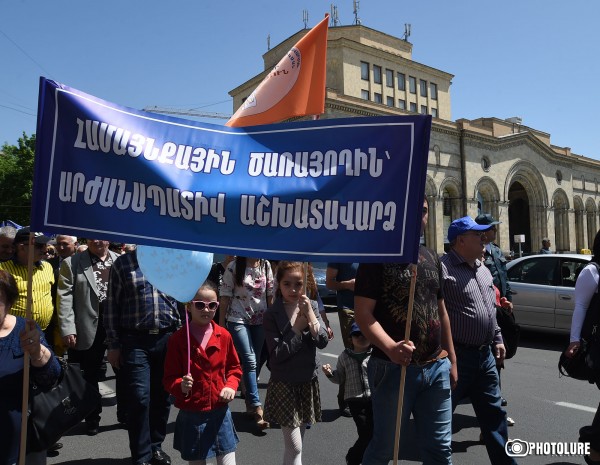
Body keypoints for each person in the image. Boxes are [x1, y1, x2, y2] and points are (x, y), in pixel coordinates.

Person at [354, 197, 456, 464]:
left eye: (423, 212)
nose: (420, 218)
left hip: (436, 368)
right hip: (392, 369)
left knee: (440, 449)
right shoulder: (376, 255)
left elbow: (441, 312)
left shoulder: (432, 256)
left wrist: (452, 361)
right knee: (385, 449)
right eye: (413, 211)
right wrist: (391, 348)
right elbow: (363, 314)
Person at [440, 216, 516, 465]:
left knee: (494, 416)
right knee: (441, 419)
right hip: (457, 358)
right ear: (461, 241)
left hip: (485, 358)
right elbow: (435, 315)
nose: (484, 239)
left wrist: (498, 338)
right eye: (478, 235)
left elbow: (489, 308)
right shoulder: (443, 270)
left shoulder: (483, 269)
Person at [105, 249, 180, 465]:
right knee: (139, 398)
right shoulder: (123, 264)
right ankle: (141, 455)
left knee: (163, 398)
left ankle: (155, 447)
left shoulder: (172, 263)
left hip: (168, 338)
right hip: (135, 340)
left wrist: (183, 339)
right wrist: (113, 345)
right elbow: (111, 305)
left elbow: (182, 302)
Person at [164, 281, 242, 465]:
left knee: (228, 461)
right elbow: (168, 378)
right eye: (200, 304)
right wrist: (180, 385)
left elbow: (234, 368)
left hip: (220, 411)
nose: (206, 310)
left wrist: (231, 386)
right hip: (192, 414)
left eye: (212, 305)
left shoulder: (224, 335)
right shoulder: (178, 339)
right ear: (189, 306)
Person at [263, 261, 329, 465]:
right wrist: (297, 329)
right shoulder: (271, 314)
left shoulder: (312, 306)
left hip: (307, 381)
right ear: (278, 284)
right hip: (285, 383)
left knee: (296, 447)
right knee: (295, 446)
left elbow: (323, 341)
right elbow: (277, 355)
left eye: (298, 284)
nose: (293, 289)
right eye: (287, 284)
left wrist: (310, 314)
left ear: (305, 283)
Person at [57, 239, 120, 435]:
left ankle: (126, 414)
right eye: (92, 236)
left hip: (116, 326)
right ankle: (92, 417)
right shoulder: (73, 263)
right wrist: (68, 328)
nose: (97, 240)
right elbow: (64, 297)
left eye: (100, 236)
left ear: (108, 240)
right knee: (89, 376)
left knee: (124, 371)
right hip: (86, 327)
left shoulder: (120, 261)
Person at [0, 269, 62, 465]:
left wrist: (37, 352)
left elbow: (51, 377)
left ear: (9, 303)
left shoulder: (25, 330)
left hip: (18, 437)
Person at [219, 256, 273, 430]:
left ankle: (250, 402)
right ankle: (257, 407)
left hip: (260, 320)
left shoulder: (265, 265)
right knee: (249, 360)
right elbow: (225, 295)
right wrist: (221, 325)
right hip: (237, 318)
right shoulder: (234, 266)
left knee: (255, 362)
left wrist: (273, 320)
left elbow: (270, 294)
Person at [565, 229, 600, 465]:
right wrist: (574, 340)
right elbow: (580, 307)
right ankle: (594, 446)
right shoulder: (592, 271)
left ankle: (594, 444)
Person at [475, 213, 514, 424]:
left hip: (501, 310)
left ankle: (492, 397)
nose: (495, 231)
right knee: (491, 359)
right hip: (487, 312)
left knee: (499, 356)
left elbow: (503, 278)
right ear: (482, 231)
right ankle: (493, 401)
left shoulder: (496, 251)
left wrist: (509, 299)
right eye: (492, 227)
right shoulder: (475, 254)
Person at [322, 322, 373, 465]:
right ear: (350, 339)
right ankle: (353, 457)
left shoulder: (374, 355)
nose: (361, 337)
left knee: (375, 433)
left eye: (365, 334)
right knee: (365, 433)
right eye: (357, 334)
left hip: (374, 399)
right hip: (355, 400)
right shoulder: (345, 357)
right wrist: (330, 373)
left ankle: (367, 457)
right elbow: (340, 378)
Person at [0, 227, 54, 332]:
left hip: (44, 332)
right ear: (22, 247)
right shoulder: (3, 269)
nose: (44, 249)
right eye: (39, 246)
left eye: (45, 245)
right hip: (13, 333)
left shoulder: (48, 268)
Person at [326, 261, 358, 417]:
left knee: (369, 354)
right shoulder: (340, 252)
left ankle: (365, 396)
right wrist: (347, 284)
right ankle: (345, 399)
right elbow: (329, 283)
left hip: (369, 306)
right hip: (348, 308)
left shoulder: (371, 248)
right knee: (352, 353)